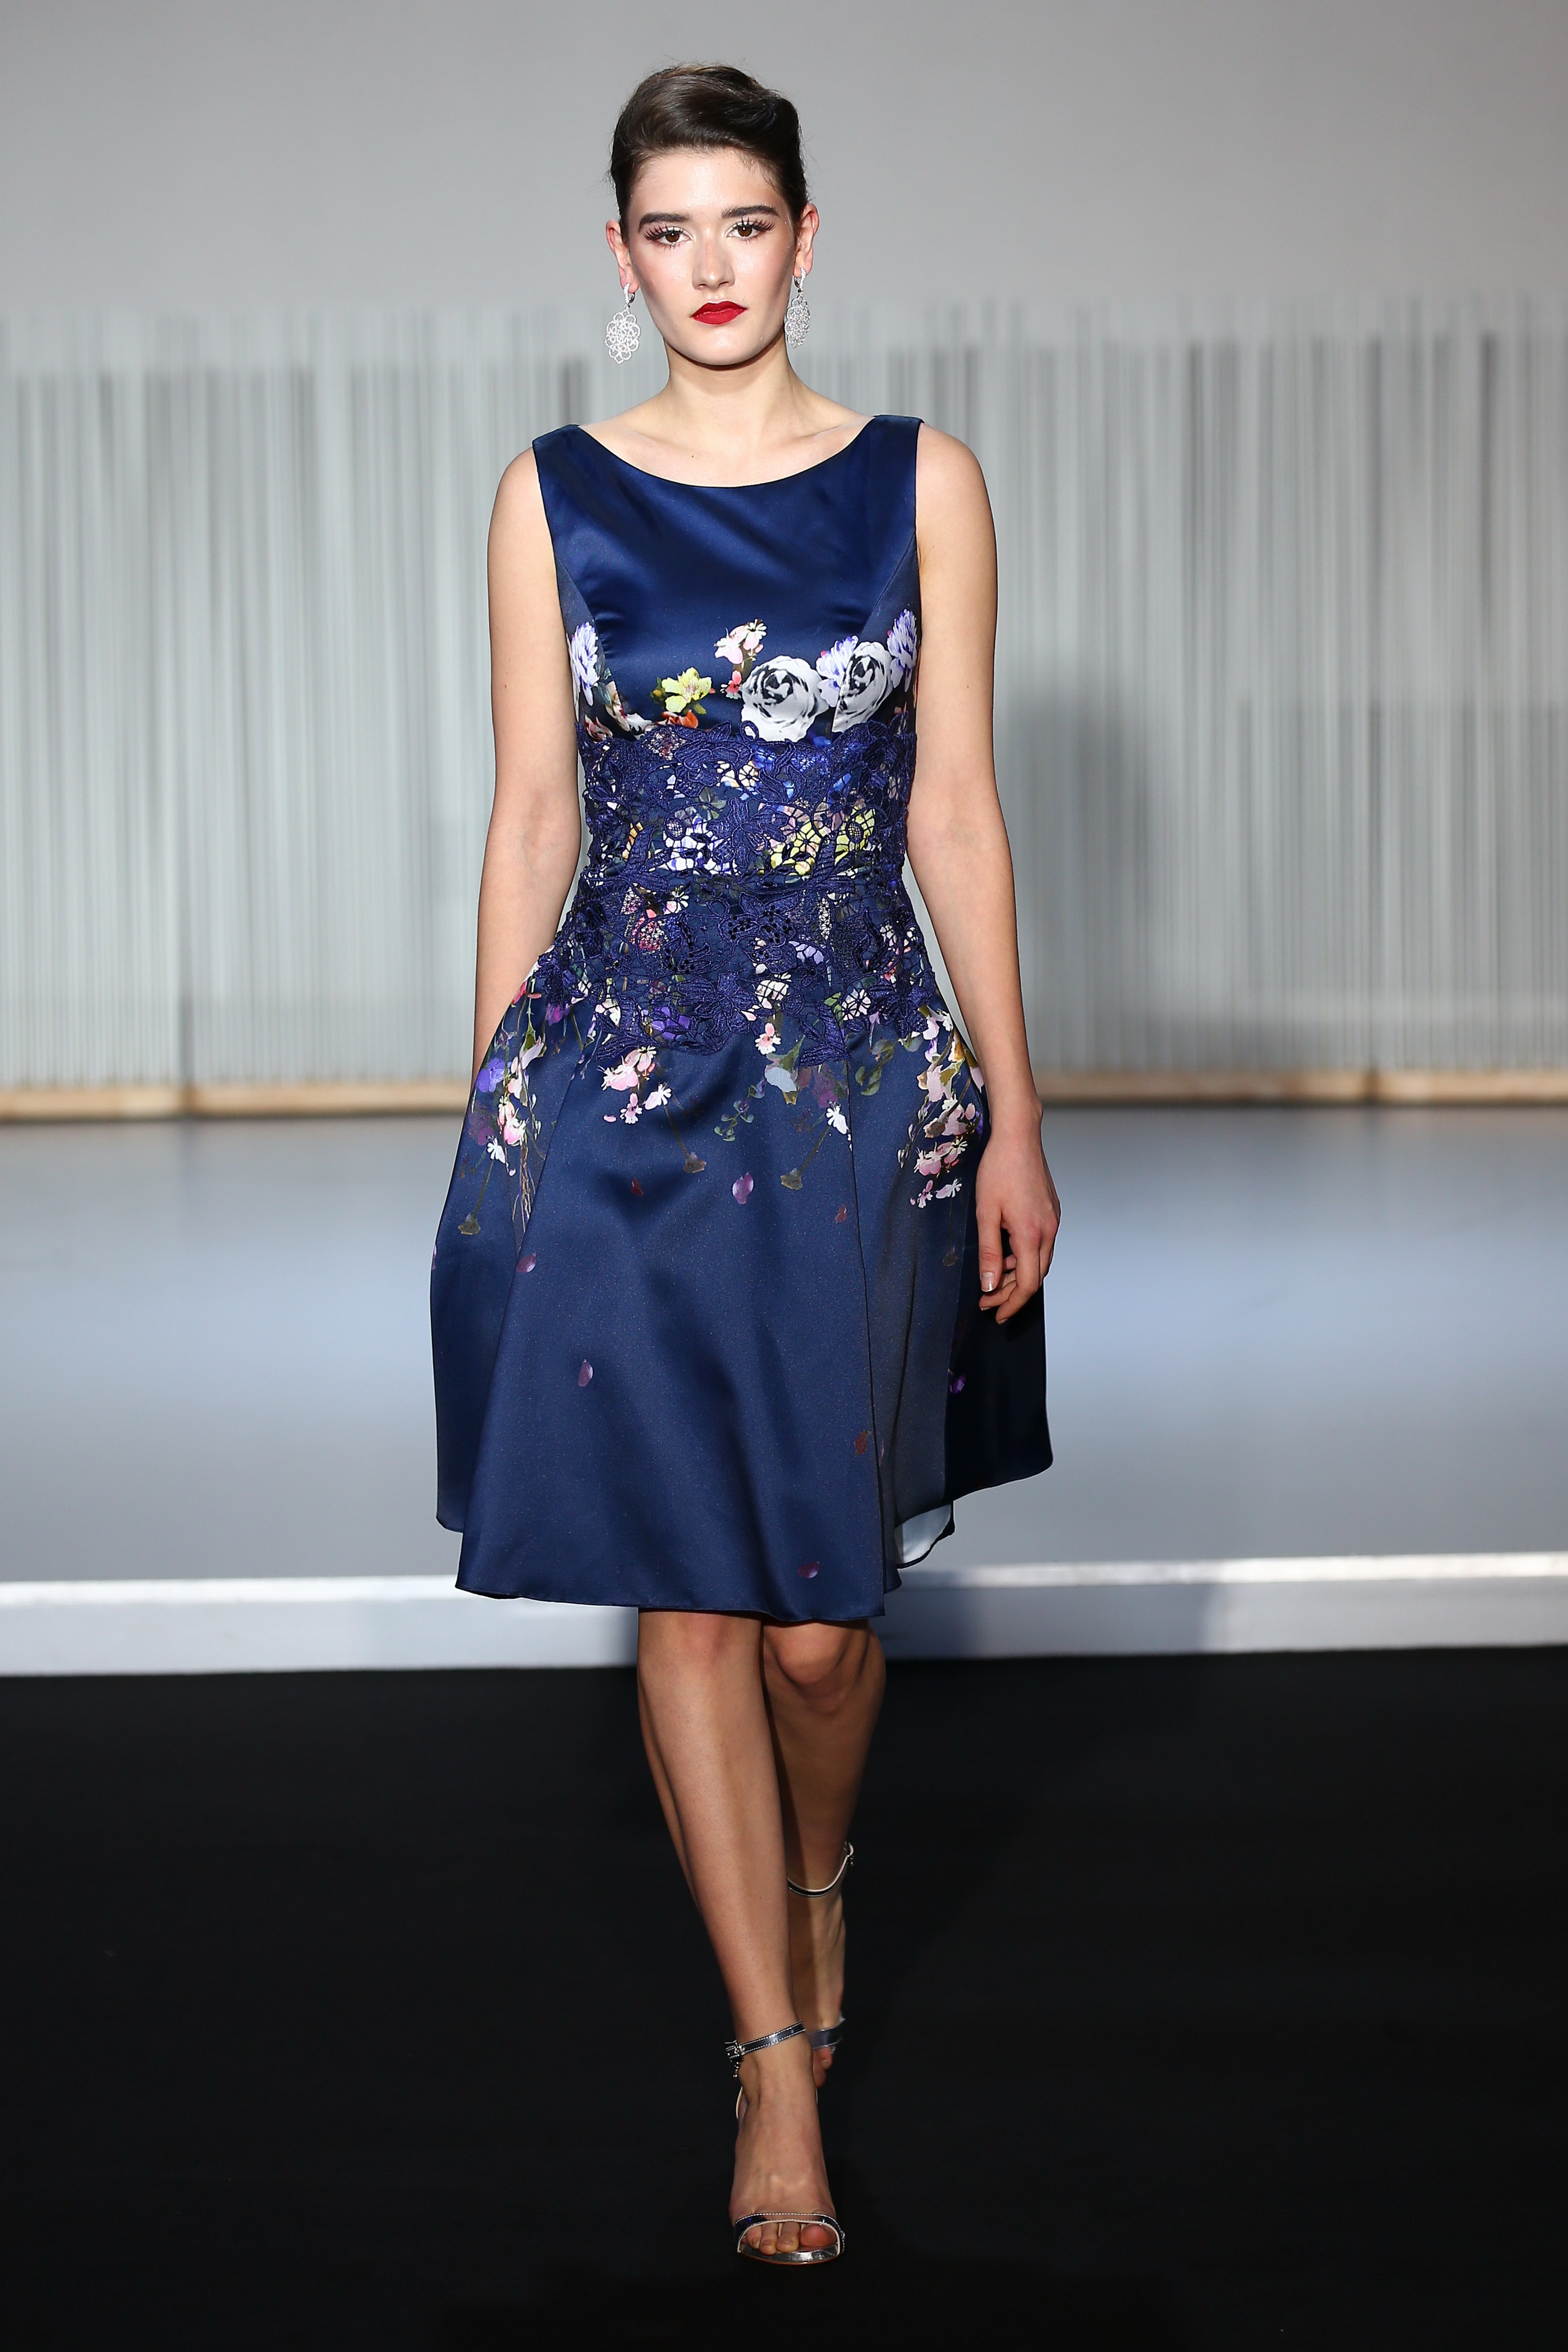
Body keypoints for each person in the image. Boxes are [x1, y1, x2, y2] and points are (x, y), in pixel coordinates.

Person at [431, 62, 1060, 2265]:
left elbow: (953, 809)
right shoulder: (553, 495)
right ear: (621, 256)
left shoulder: (923, 483)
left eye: (747, 222)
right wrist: (495, 1113)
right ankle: (773, 2066)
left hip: (856, 1084)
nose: (711, 266)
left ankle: (814, 1882)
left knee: (817, 1629)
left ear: (807, 234)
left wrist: (1018, 1110)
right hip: (616, 1082)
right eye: (670, 229)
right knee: (689, 1592)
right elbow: (532, 814)